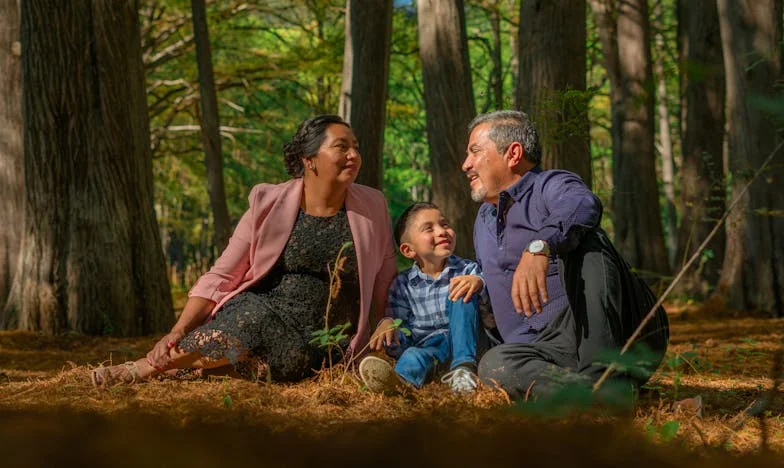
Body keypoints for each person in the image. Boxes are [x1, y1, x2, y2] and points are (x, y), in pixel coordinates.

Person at [91, 115, 397, 386]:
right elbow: (222, 274)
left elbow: (385, 277)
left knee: (265, 363)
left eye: (355, 147)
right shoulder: (268, 202)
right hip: (261, 312)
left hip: (323, 337)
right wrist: (178, 329)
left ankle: (185, 369)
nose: (354, 155)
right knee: (253, 319)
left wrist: (385, 320)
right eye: (341, 147)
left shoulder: (373, 206)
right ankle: (143, 369)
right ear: (309, 158)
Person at [461, 110, 669, 401]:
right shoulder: (482, 220)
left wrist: (540, 246)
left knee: (589, 239)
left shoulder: (551, 184)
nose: (466, 164)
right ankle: (595, 396)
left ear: (513, 154)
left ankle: (605, 375)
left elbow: (583, 205)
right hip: (543, 352)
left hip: (617, 330)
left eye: (475, 151)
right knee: (494, 365)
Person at [359, 202, 484, 394]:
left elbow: (491, 304)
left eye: (444, 224)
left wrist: (479, 282)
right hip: (431, 349)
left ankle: (463, 371)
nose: (442, 231)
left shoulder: (468, 270)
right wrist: (388, 325)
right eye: (429, 228)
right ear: (408, 250)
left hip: (470, 343)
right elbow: (402, 332)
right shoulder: (403, 285)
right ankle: (399, 385)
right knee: (412, 356)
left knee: (461, 289)